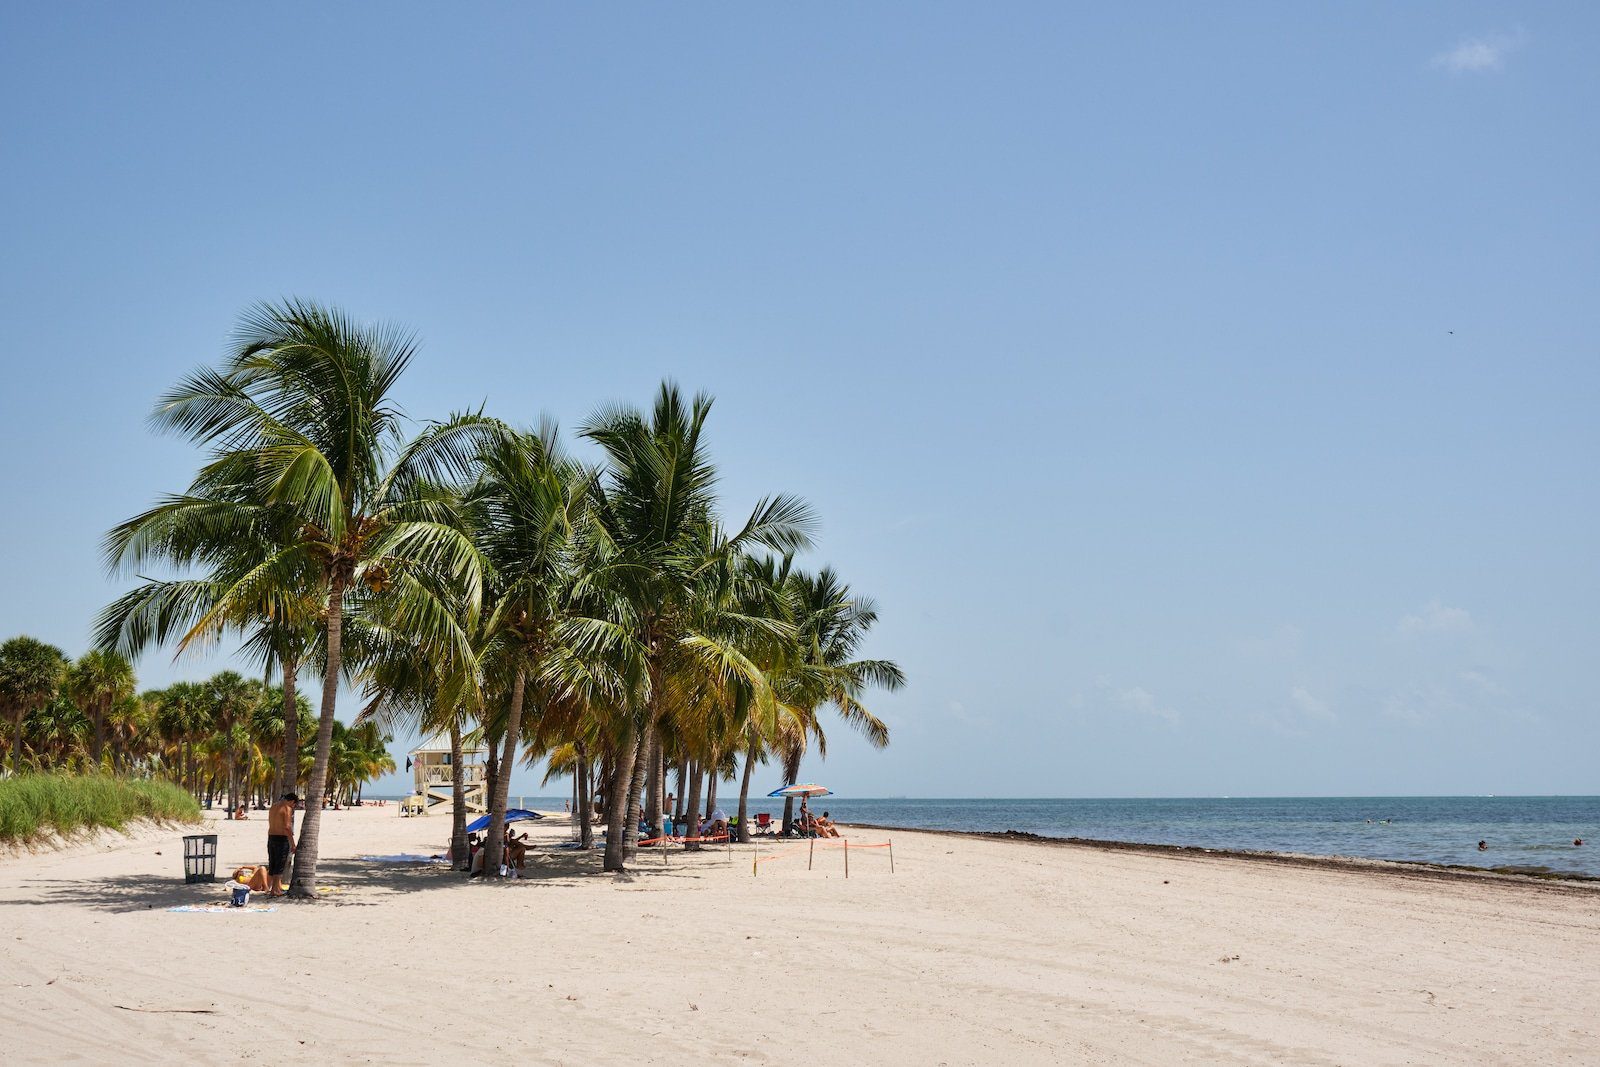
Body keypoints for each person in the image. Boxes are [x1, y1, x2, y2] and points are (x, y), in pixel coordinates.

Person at [266, 792, 298, 897]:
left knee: (272, 864)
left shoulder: (273, 807)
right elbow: (287, 827)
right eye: (294, 805)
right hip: (281, 839)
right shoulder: (287, 808)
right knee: (279, 866)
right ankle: (275, 891)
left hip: (271, 837)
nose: (293, 807)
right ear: (292, 802)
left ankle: (270, 888)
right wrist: (293, 844)